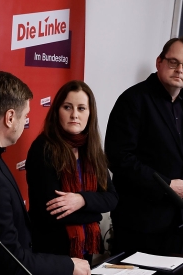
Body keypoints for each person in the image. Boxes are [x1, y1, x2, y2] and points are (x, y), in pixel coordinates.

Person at [0, 71, 91, 275]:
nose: (25, 123)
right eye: (25, 116)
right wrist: (69, 265)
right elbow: (10, 261)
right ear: (10, 117)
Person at [105, 36, 183, 255]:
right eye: (174, 62)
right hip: (139, 222)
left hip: (177, 224)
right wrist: (167, 185)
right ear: (159, 62)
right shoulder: (133, 99)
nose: (180, 70)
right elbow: (119, 158)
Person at [25, 80, 118, 264]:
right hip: (51, 252)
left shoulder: (91, 149)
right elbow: (54, 211)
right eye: (68, 107)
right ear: (57, 111)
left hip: (85, 252)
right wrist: (95, 213)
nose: (74, 115)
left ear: (90, 113)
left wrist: (81, 200)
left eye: (81, 108)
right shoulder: (43, 148)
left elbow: (112, 198)